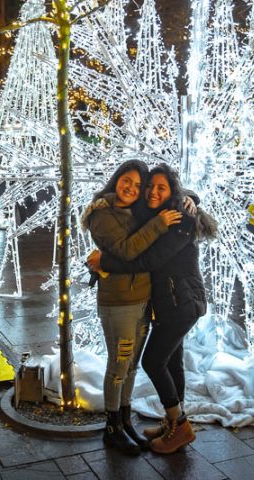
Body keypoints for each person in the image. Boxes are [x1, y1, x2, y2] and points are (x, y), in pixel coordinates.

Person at [89, 163, 217, 454]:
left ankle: (179, 426)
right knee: (172, 361)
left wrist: (104, 262)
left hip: (180, 303)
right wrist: (191, 198)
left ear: (172, 191)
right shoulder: (157, 213)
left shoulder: (179, 221)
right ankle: (173, 421)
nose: (151, 192)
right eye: (150, 186)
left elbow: (147, 260)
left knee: (152, 362)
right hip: (170, 302)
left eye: (161, 188)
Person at [81, 160, 182, 455]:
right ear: (117, 179)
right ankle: (112, 428)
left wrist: (190, 199)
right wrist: (158, 224)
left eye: (139, 185)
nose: (132, 189)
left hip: (142, 300)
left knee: (132, 366)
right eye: (127, 181)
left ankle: (125, 421)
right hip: (119, 303)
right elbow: (127, 250)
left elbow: (168, 193)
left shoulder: (136, 210)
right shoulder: (102, 214)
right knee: (118, 365)